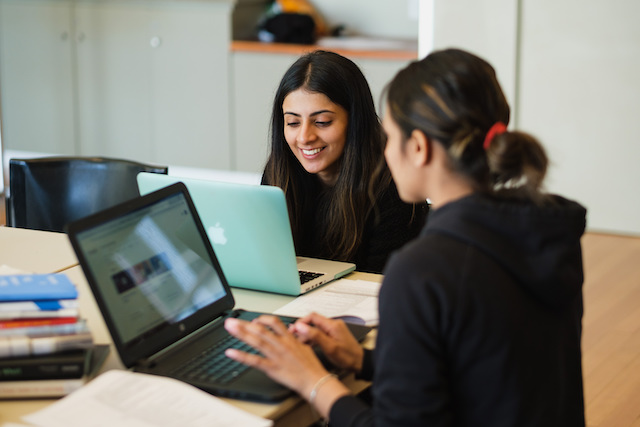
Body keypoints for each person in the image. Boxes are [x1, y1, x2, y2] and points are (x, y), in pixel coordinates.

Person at [225, 48, 586, 426]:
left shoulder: (424, 270)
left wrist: (313, 382)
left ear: (418, 148)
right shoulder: (543, 232)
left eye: (391, 136)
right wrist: (363, 361)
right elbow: (483, 370)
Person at [261, 50, 428, 274]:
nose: (304, 137)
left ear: (355, 121)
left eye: (322, 122)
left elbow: (380, 286)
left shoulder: (393, 186)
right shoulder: (280, 172)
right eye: (292, 122)